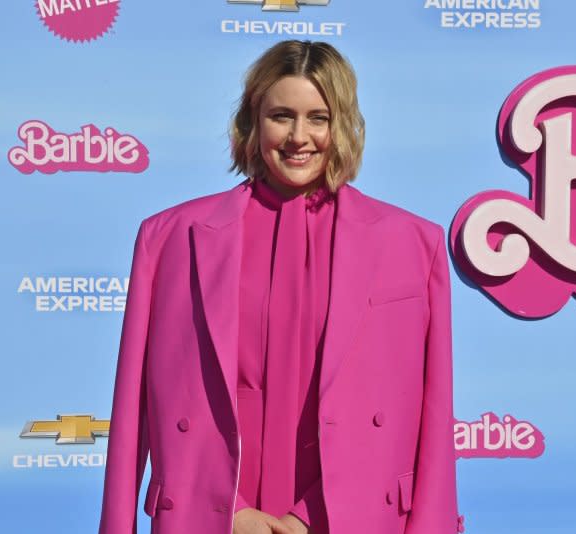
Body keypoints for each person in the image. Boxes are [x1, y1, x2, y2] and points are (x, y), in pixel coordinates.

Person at [98, 40, 460, 534]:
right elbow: (134, 408)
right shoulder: (169, 239)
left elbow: (432, 417)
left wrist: (315, 515)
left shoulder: (413, 245)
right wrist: (228, 512)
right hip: (210, 516)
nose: (298, 136)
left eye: (318, 117)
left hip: (349, 516)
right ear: (253, 121)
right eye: (281, 115)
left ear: (343, 125)